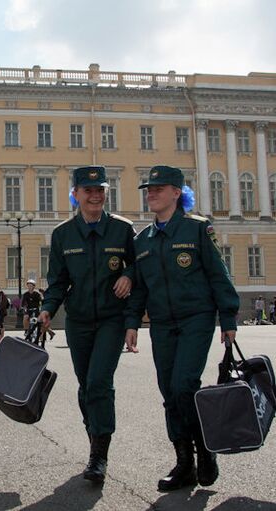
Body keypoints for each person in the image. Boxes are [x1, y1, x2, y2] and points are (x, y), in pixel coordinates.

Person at [124, 165, 240, 492]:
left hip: (196, 318)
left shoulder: (197, 230)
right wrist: (132, 321)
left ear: (177, 192)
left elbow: (219, 274)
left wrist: (228, 318)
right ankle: (184, 463)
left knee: (183, 386)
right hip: (161, 324)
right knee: (168, 392)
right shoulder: (143, 239)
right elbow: (141, 288)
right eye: (149, 188)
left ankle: (205, 450)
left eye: (158, 188)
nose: (151, 193)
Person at [39, 165, 136, 484]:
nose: (95, 196)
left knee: (98, 383)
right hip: (78, 321)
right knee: (85, 386)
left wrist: (128, 274)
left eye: (100, 191)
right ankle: (94, 438)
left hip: (112, 319)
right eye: (88, 191)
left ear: (106, 194)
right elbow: (57, 280)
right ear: (76, 194)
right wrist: (46, 309)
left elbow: (139, 264)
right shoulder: (62, 235)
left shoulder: (122, 230)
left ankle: (99, 454)